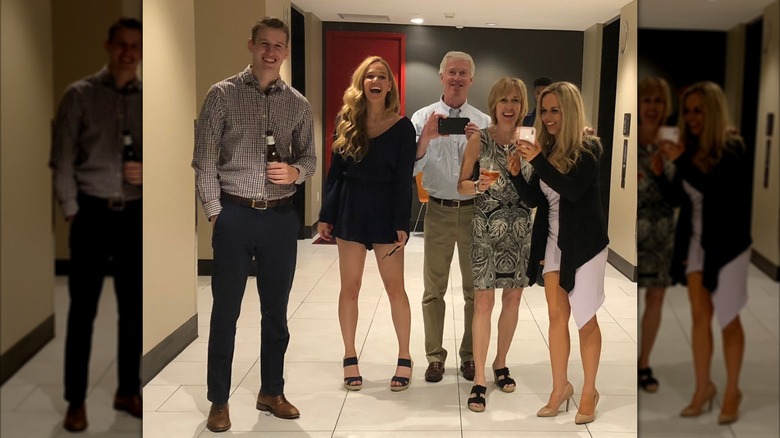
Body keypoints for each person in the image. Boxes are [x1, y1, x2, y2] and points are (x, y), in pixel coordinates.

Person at [192, 17, 316, 432]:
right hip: (235, 214)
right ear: (251, 45)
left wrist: (296, 173)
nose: (271, 52)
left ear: (284, 51)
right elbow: (205, 159)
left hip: (281, 219)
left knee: (275, 314)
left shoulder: (298, 104)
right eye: (265, 44)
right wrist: (215, 211)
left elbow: (310, 159)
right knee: (225, 313)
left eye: (279, 46)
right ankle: (219, 400)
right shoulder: (221, 95)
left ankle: (271, 391)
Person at [49, 17, 143, 432]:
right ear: (108, 46)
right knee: (82, 311)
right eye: (122, 44)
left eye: (136, 45)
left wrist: (150, 171)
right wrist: (71, 209)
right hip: (89, 213)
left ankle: (127, 389)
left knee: (133, 310)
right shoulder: (80, 95)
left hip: (135, 216)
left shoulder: (149, 99)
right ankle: (75, 401)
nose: (128, 52)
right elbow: (62, 159)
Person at [317, 55, 417, 392]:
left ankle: (404, 356)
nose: (375, 82)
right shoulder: (346, 120)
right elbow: (335, 174)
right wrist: (326, 215)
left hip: (387, 211)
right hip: (351, 209)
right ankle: (349, 356)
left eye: (381, 77)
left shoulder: (403, 128)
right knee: (351, 287)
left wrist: (402, 222)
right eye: (369, 76)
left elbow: (404, 179)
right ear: (362, 83)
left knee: (394, 288)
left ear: (390, 85)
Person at [512, 81, 609, 425]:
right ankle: (560, 387)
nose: (549, 117)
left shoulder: (589, 147)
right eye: (544, 110)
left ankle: (589, 391)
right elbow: (541, 200)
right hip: (552, 241)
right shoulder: (547, 147)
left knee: (585, 319)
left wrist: (537, 159)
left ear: (569, 110)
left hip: (584, 245)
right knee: (556, 318)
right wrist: (516, 177)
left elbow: (572, 189)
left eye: (555, 110)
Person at [660, 81, 751, 425]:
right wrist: (661, 173)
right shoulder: (688, 147)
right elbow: (680, 199)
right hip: (695, 242)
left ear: (712, 111)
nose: (691, 117)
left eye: (698, 110)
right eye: (687, 110)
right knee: (699, 318)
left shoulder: (732, 147)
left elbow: (717, 192)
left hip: (727, 246)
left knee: (728, 317)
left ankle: (733, 391)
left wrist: (681, 160)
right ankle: (703, 388)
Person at [410, 51, 491, 383]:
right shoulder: (421, 118)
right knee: (434, 290)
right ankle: (434, 357)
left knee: (475, 291)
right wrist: (427, 137)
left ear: (471, 80)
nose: (457, 78)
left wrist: (479, 145)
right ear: (441, 77)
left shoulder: (484, 122)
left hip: (475, 214)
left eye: (463, 73)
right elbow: (410, 168)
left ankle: (470, 356)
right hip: (439, 211)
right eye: (451, 72)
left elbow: (493, 173)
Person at [455, 77, 534, 412]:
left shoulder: (530, 141)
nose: (509, 106)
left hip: (520, 229)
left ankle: (501, 362)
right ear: (493, 105)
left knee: (513, 298)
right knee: (484, 301)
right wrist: (477, 187)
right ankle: (479, 380)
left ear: (522, 106)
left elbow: (541, 186)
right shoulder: (479, 140)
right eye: (503, 100)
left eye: (515, 100)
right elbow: (460, 186)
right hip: (486, 228)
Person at [636, 77, 676, 393]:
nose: (652, 107)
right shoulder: (630, 142)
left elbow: (678, 195)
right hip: (633, 227)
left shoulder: (672, 143)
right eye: (647, 100)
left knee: (656, 296)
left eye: (658, 101)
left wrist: (664, 171)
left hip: (662, 229)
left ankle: (644, 362)